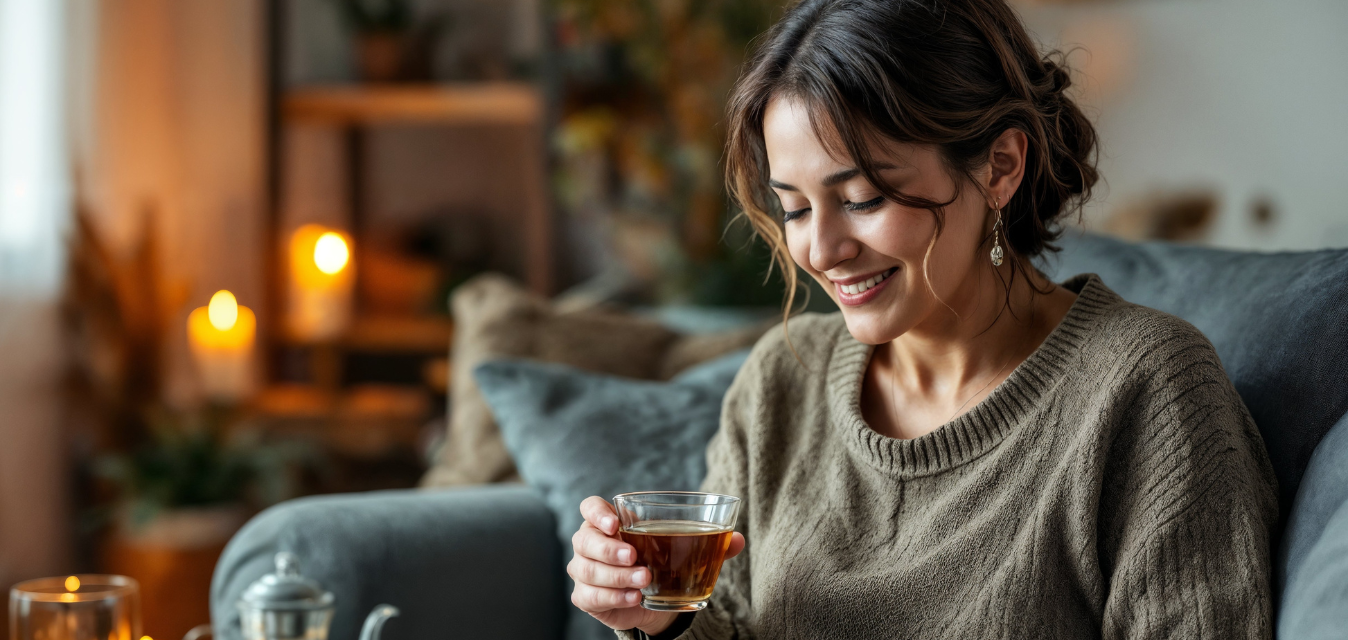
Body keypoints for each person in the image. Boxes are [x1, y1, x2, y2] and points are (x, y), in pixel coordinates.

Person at [567, 0, 1278, 637]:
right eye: (795, 208)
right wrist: (662, 622)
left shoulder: (1147, 389)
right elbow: (728, 621)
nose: (822, 250)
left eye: (864, 198)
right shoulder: (781, 381)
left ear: (1000, 166)